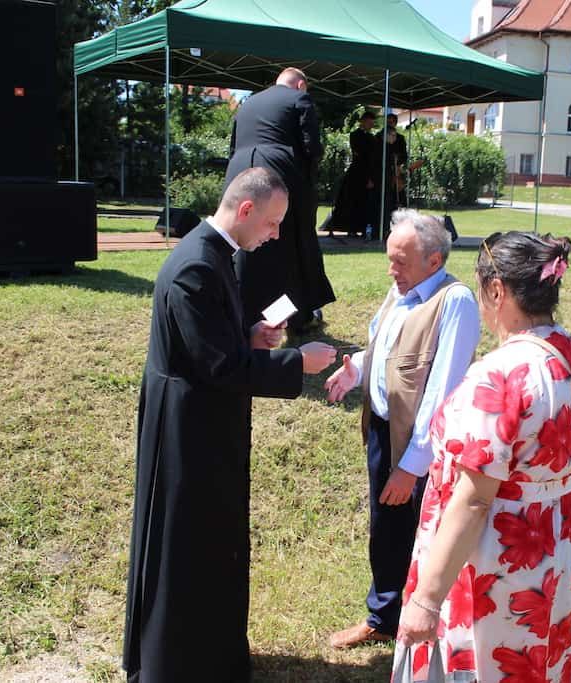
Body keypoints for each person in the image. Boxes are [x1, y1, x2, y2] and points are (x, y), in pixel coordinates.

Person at [122, 167, 337, 682]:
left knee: (212, 541)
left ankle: (210, 655)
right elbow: (217, 366)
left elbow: (212, 342)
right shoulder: (197, 265)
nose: (276, 234)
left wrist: (251, 335)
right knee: (187, 546)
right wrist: (297, 362)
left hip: (204, 423)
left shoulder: (215, 254)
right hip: (188, 432)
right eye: (272, 222)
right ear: (245, 210)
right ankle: (177, 664)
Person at [394, 231, 571, 682]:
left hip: (498, 550)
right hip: (557, 541)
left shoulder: (499, 377)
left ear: (497, 291)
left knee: (485, 660)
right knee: (537, 654)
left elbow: (475, 499)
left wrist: (426, 600)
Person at [325, 209, 481, 649]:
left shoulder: (455, 302)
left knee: (423, 534)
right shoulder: (403, 289)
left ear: (434, 260)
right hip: (383, 430)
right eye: (390, 258)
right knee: (386, 529)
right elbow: (386, 347)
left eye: (401, 261)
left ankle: (428, 625)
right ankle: (384, 618)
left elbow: (442, 391)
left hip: (419, 444)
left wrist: (411, 466)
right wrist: (355, 371)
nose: (391, 269)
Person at [225, 67, 335, 334]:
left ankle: (240, 313)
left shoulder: (248, 103)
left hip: (239, 170)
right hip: (279, 169)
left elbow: (233, 146)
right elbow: (311, 147)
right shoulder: (299, 98)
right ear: (300, 85)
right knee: (292, 244)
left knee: (242, 243)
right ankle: (298, 316)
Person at [328, 110, 377, 237]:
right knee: (352, 200)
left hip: (368, 171)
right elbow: (360, 153)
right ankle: (351, 228)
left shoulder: (372, 138)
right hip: (357, 172)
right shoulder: (355, 135)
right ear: (363, 121)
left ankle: (362, 228)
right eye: (369, 122)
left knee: (364, 202)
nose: (371, 125)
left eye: (372, 123)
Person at [372, 113, 408, 231]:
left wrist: (398, 164)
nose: (389, 123)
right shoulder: (378, 137)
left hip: (395, 173)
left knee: (398, 199)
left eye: (392, 122)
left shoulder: (400, 138)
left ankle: (398, 225)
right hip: (381, 174)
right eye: (388, 121)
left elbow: (404, 156)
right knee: (382, 201)